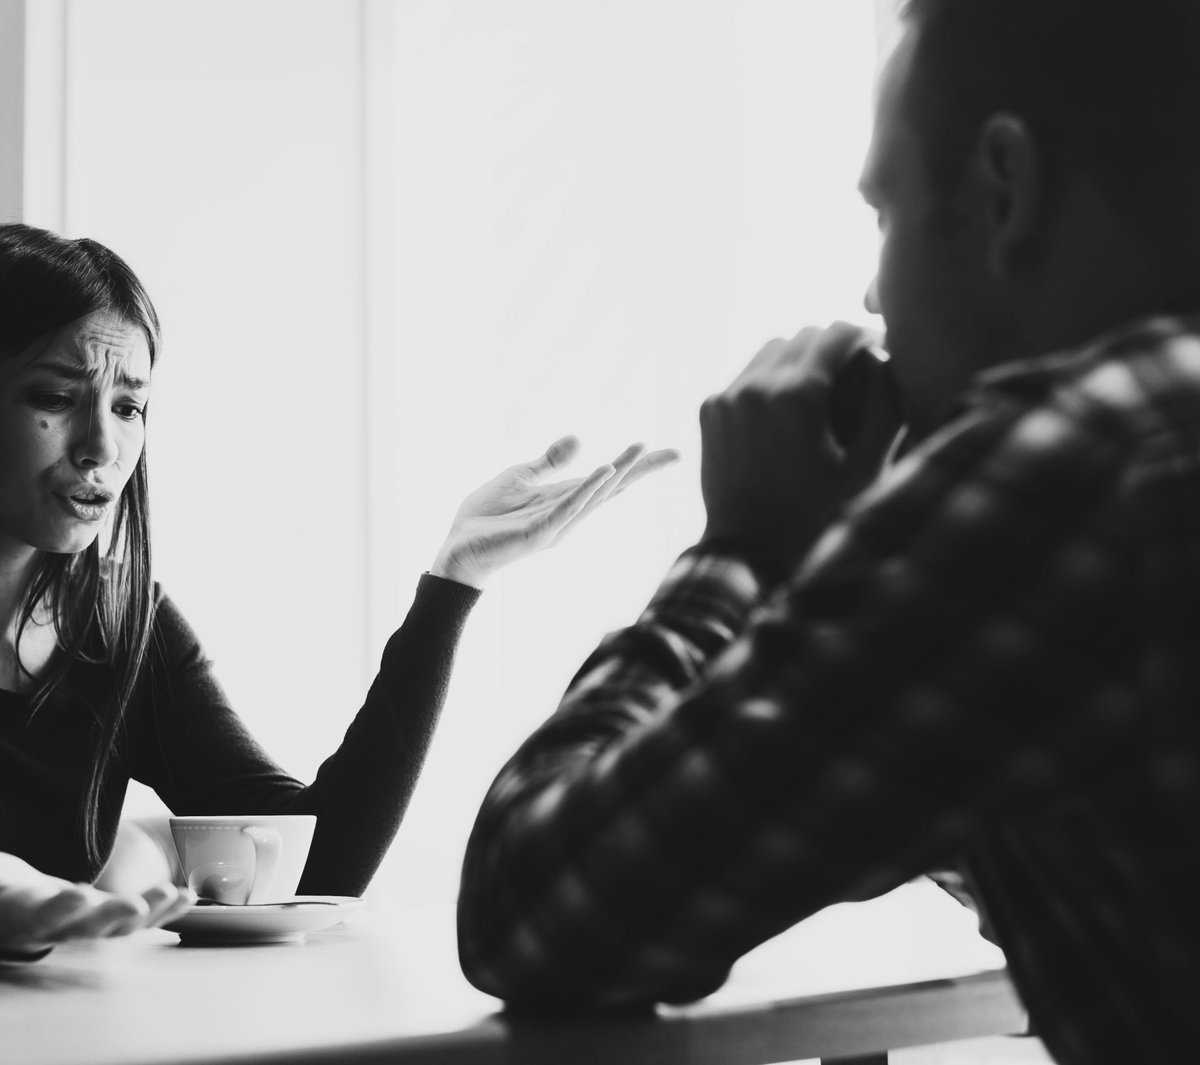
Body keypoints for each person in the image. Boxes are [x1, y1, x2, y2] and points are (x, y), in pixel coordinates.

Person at [455, 2, 1200, 1062]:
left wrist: (741, 553)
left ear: (1002, 188)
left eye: (884, 212)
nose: (868, 290)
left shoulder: (1070, 469)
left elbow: (532, 907)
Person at [0, 222, 676, 961]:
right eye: (54, 398)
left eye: (129, 405)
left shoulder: (118, 625)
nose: (102, 447)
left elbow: (311, 855)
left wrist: (452, 583)